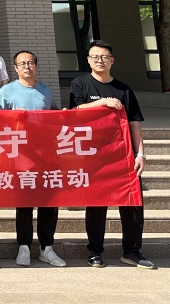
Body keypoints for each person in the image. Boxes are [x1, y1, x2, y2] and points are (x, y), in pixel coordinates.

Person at [69, 40, 154, 270]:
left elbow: (134, 123)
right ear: (88, 60)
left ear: (112, 61)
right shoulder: (80, 84)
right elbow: (75, 111)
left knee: (133, 204)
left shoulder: (124, 89)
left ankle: (132, 251)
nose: (100, 60)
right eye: (95, 57)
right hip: (94, 156)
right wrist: (103, 102)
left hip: (124, 156)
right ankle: (95, 251)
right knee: (97, 205)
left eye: (104, 57)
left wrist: (140, 154)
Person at [0, 50, 66, 268]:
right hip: (21, 157)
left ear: (36, 66)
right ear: (15, 68)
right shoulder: (6, 91)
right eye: (22, 63)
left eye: (31, 63)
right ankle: (24, 246)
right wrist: (13, 118)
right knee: (24, 204)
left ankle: (47, 248)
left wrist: (64, 115)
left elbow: (54, 117)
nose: (27, 66)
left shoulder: (45, 90)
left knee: (49, 203)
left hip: (46, 156)